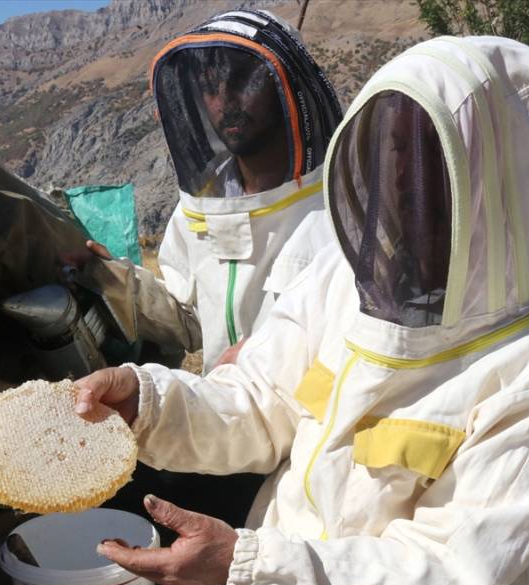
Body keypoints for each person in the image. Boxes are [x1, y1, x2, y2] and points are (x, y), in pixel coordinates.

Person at [75, 35, 529, 585]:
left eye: (423, 165)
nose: (398, 185)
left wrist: (242, 562)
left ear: (495, 178)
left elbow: (442, 569)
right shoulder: (341, 276)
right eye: (386, 158)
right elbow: (256, 398)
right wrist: (148, 400)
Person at [79, 8, 343, 372]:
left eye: (242, 81)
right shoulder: (200, 208)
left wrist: (270, 353)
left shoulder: (342, 209)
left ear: (285, 86)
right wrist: (113, 278)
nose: (224, 101)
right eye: (209, 86)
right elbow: (189, 321)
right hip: (219, 418)